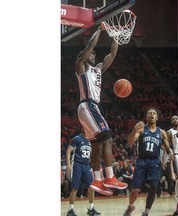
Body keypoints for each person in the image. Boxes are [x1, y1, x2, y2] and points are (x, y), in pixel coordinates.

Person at [75, 24, 128, 196]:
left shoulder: (97, 70)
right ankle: (110, 177)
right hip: (88, 104)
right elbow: (89, 46)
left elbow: (112, 54)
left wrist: (116, 36)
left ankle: (97, 179)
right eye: (90, 53)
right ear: (83, 56)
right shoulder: (81, 66)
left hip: (91, 107)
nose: (93, 54)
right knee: (108, 140)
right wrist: (99, 29)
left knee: (97, 145)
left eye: (94, 54)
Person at [123, 107, 173, 216]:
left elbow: (167, 146)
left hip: (154, 162)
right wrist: (134, 129)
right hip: (141, 161)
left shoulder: (162, 132)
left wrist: (170, 153)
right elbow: (130, 142)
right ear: (147, 117)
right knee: (135, 189)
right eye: (149, 113)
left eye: (154, 113)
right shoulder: (141, 129)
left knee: (154, 187)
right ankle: (130, 207)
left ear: (157, 117)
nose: (151, 114)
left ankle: (146, 212)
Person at [65, 132, 101, 216]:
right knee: (75, 187)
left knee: (91, 187)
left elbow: (90, 155)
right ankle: (70, 210)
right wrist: (68, 164)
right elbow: (68, 150)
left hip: (87, 165)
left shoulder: (90, 141)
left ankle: (91, 209)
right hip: (77, 164)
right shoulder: (77, 138)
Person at [167, 115, 178, 216]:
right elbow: (165, 143)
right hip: (177, 155)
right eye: (173, 119)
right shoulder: (170, 132)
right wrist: (169, 153)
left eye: (176, 118)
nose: (175, 120)